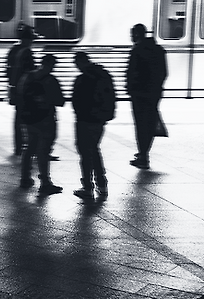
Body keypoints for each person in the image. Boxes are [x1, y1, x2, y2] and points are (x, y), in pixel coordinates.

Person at [18, 53, 66, 196]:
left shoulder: (27, 77)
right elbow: (60, 100)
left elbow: (20, 96)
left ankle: (25, 178)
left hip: (28, 119)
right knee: (43, 151)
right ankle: (45, 182)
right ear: (52, 65)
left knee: (29, 148)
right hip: (45, 120)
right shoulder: (51, 80)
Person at [71, 51, 116, 201]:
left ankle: (88, 188)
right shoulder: (104, 75)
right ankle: (102, 185)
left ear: (80, 62)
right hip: (99, 120)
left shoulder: (83, 79)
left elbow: (77, 101)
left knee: (85, 153)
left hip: (85, 120)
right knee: (94, 150)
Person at [126, 22, 168, 170]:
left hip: (139, 94)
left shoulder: (137, 51)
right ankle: (144, 152)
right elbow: (163, 73)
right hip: (154, 93)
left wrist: (131, 89)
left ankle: (143, 155)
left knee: (140, 124)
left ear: (137, 34)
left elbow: (131, 74)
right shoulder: (159, 50)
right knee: (149, 123)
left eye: (132, 34)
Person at [5, 23, 37, 156]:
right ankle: (32, 147)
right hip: (26, 90)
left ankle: (18, 147)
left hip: (14, 88)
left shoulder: (13, 50)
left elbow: (7, 70)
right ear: (28, 39)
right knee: (31, 119)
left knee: (18, 119)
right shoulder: (26, 52)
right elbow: (31, 72)